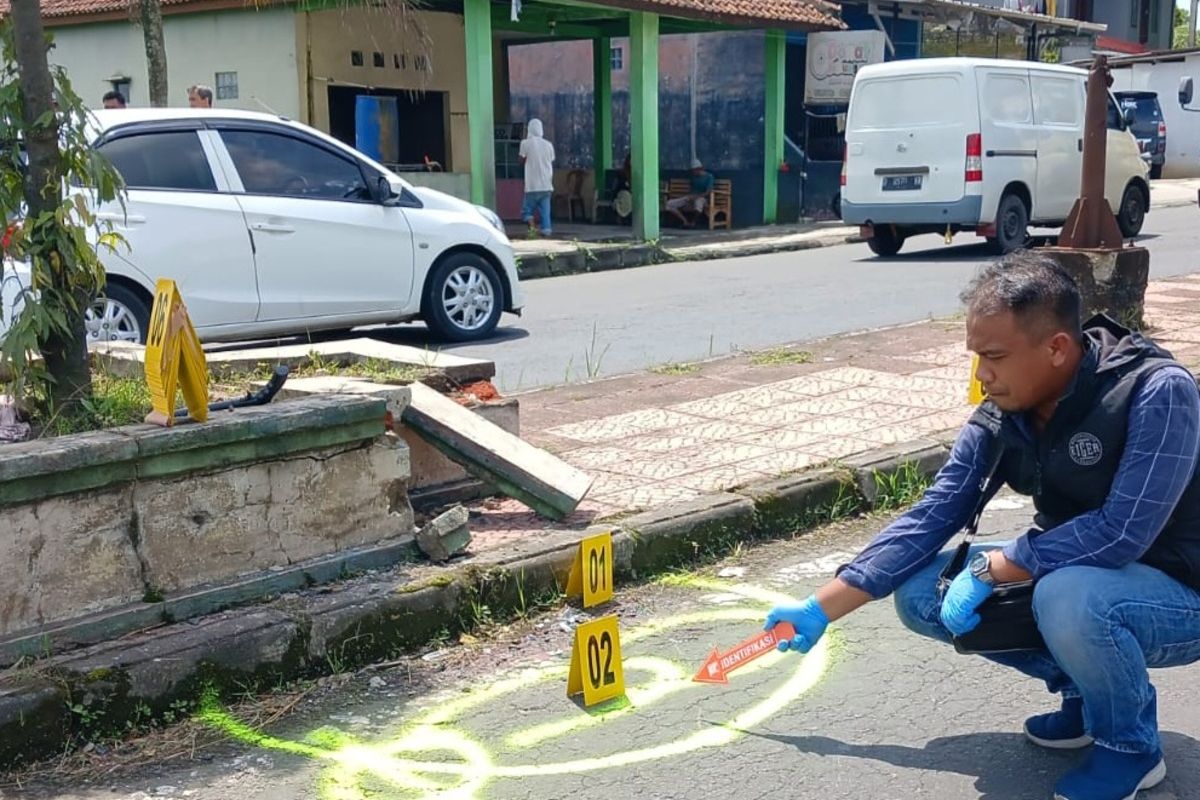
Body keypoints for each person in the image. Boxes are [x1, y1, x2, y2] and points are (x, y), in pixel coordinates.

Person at [764, 251, 1200, 800]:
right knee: (923, 589)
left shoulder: (1157, 391)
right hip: (1083, 576)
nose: (981, 374)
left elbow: (1123, 531)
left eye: (994, 356)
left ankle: (1130, 745)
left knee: (1070, 594)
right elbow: (936, 511)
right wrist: (821, 607)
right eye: (976, 355)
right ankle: (1090, 697)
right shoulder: (1007, 408)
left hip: (1181, 591)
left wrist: (1001, 566)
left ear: (1057, 349)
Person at [518, 118, 555, 236]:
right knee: (545, 214)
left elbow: (521, 161)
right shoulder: (549, 145)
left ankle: (532, 227)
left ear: (529, 129)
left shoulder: (525, 143)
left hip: (532, 185)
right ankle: (546, 233)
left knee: (526, 211)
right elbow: (551, 160)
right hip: (546, 185)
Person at [665, 158, 714, 227]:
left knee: (698, 203)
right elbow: (691, 190)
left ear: (699, 168)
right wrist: (689, 197)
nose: (693, 172)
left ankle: (693, 222)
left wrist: (696, 197)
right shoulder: (693, 177)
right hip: (690, 197)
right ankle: (685, 221)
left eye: (694, 170)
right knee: (669, 204)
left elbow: (707, 192)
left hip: (703, 198)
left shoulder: (709, 177)